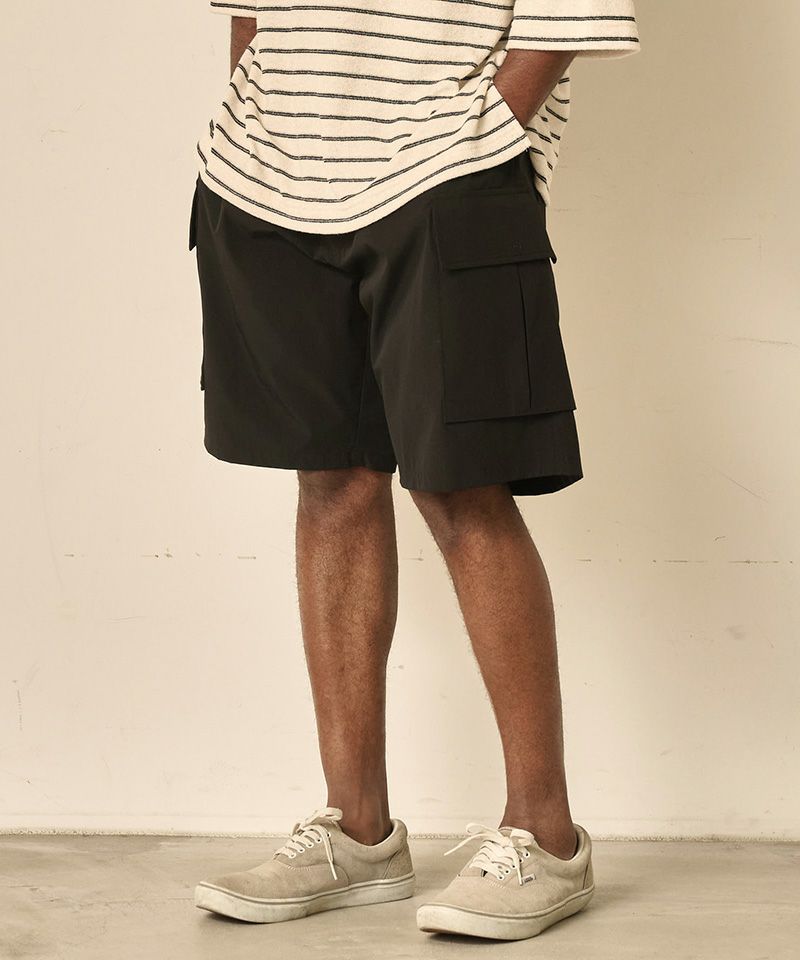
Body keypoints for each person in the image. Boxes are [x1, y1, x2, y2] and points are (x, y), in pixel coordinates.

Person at [189, 0, 640, 942]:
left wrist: (480, 129)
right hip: (262, 179)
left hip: (446, 170)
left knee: (462, 486)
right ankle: (357, 832)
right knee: (330, 480)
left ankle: (546, 838)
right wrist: (258, 111)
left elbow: (566, 16)